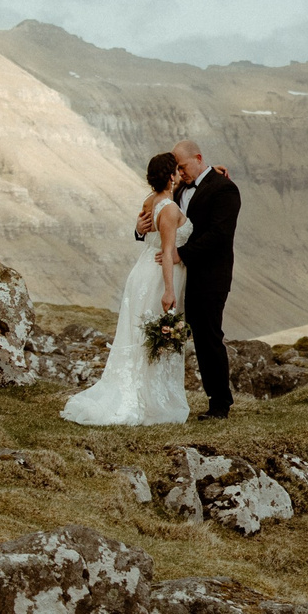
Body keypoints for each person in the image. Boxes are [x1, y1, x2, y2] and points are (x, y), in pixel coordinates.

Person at [60, 151, 191, 426]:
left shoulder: (150, 201)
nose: (180, 174)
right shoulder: (169, 209)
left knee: (140, 334)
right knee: (153, 336)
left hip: (142, 272)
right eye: (176, 170)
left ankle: (144, 392)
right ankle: (149, 400)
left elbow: (145, 232)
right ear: (170, 176)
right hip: (157, 276)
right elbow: (167, 252)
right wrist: (169, 290)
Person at [170, 138, 241, 420]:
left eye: (183, 166)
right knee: (172, 334)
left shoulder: (225, 189)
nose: (180, 172)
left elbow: (219, 235)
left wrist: (181, 254)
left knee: (208, 337)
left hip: (210, 276)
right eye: (176, 168)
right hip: (180, 276)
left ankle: (220, 403)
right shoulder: (178, 190)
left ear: (198, 158)